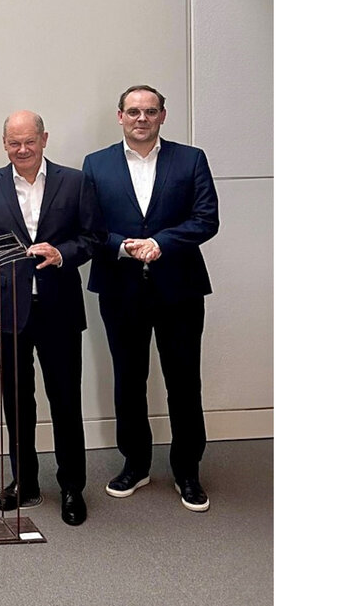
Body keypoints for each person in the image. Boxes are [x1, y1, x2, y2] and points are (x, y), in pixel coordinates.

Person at [82, 84, 219, 512]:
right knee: (128, 379)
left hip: (179, 287)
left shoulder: (190, 159)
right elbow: (89, 228)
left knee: (183, 381)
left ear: (163, 116)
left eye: (150, 111)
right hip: (120, 289)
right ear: (119, 116)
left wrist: (162, 242)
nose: (142, 118)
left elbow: (206, 219)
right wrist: (124, 245)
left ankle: (187, 470)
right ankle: (136, 464)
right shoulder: (96, 164)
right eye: (134, 111)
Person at [0, 110, 104, 526]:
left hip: (60, 309)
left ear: (44, 139)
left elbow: (93, 238)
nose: (22, 150)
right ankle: (25, 480)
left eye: (29, 141)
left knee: (65, 401)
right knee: (16, 400)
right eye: (14, 143)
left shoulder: (75, 181)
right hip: (9, 312)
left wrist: (62, 254)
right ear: (4, 144)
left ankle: (71, 487)